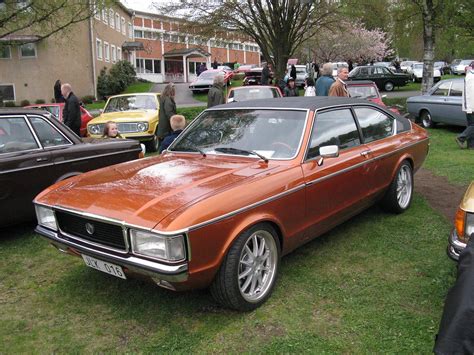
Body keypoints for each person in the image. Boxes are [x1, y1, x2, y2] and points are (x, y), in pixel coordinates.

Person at [455, 67, 474, 149]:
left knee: (471, 125)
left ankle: (471, 145)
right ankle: (461, 137)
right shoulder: (471, 77)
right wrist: (470, 107)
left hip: (469, 105)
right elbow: (470, 93)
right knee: (472, 126)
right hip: (471, 106)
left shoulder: (469, 76)